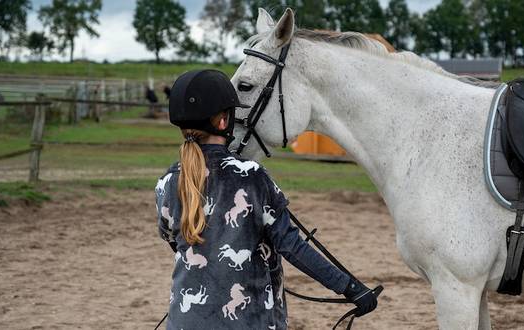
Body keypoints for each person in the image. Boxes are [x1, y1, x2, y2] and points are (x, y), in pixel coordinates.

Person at [155, 69, 377, 329]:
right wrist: (350, 287)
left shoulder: (167, 182)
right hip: (251, 320)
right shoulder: (251, 176)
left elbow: (174, 239)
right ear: (224, 121)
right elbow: (292, 246)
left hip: (185, 321)